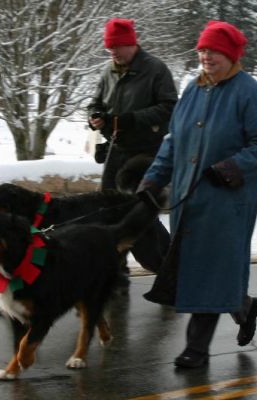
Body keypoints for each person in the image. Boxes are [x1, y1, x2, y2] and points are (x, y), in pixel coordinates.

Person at [137, 21, 257, 368]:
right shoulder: (193, 89)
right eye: (202, 50)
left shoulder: (248, 92)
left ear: (230, 55)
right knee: (204, 270)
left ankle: (196, 350)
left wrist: (231, 167)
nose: (206, 56)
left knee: (209, 269)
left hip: (226, 200)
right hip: (188, 199)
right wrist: (153, 180)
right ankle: (245, 307)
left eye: (213, 51)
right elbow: (173, 141)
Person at [88, 18, 178, 274]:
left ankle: (168, 263)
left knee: (140, 210)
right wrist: (95, 114)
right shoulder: (109, 70)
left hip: (146, 152)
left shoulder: (156, 69)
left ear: (132, 44)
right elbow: (96, 101)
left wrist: (132, 120)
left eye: (117, 48)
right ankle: (116, 267)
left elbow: (170, 107)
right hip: (116, 149)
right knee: (108, 208)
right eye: (109, 49)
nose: (113, 53)